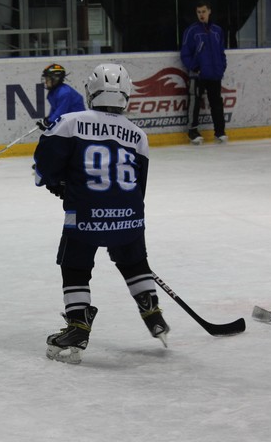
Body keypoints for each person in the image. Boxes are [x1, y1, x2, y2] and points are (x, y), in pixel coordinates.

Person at [33, 63, 170, 365]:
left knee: (74, 265)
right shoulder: (138, 135)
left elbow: (45, 164)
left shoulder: (70, 122)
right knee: (134, 262)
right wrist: (122, 212)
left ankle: (78, 326)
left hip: (85, 215)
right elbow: (139, 186)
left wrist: (56, 184)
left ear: (91, 91)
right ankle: (153, 312)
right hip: (130, 216)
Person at [180, 0, 227, 145]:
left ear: (209, 11)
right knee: (195, 102)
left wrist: (221, 67)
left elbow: (221, 52)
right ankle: (193, 131)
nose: (201, 15)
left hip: (215, 74)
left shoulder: (217, 31)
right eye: (199, 12)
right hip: (198, 75)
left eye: (203, 11)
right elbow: (185, 54)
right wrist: (194, 67)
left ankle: (220, 131)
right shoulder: (191, 31)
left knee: (216, 103)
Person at [37, 63, 85, 131]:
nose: (45, 82)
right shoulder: (53, 92)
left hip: (78, 127)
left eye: (47, 79)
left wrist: (49, 122)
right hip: (69, 125)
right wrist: (48, 119)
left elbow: (60, 113)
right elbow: (55, 109)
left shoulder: (65, 93)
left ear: (55, 79)